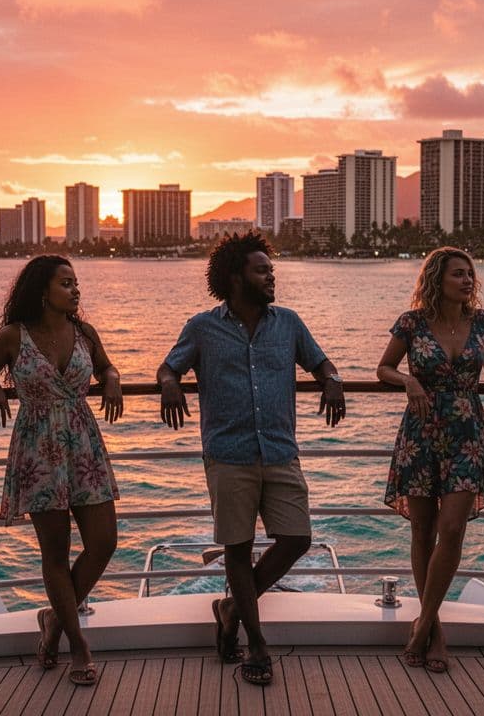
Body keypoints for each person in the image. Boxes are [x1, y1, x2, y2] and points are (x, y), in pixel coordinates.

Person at [158, 232, 345, 687]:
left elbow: (319, 362)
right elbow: (170, 366)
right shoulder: (203, 327)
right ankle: (256, 643)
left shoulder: (289, 323)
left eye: (270, 269)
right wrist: (168, 382)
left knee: (297, 538)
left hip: (280, 451)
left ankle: (229, 607)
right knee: (237, 550)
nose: (271, 276)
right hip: (229, 455)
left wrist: (333, 378)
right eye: (262, 270)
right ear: (236, 276)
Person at [0, 255, 121, 687]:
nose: (76, 290)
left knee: (103, 543)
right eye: (66, 283)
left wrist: (111, 377)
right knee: (54, 553)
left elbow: (106, 364)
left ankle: (55, 620)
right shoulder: (13, 337)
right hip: (37, 449)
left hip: (84, 445)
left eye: (76, 283)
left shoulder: (84, 333)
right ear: (42, 291)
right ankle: (78, 644)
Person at [376, 247, 484, 673]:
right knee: (422, 530)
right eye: (458, 274)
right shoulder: (412, 322)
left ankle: (420, 628)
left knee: (452, 528)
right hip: (420, 432)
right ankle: (434, 628)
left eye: (470, 275)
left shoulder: (482, 322)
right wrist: (408, 381)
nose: (467, 281)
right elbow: (383, 367)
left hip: (466, 434)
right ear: (437, 279)